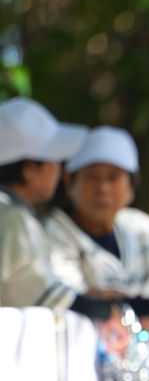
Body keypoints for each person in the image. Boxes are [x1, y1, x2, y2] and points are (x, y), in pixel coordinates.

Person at [44, 126, 149, 339]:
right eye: (92, 177)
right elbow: (72, 299)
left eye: (113, 177)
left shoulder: (139, 227)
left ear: (131, 184)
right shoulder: (53, 232)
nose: (103, 188)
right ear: (69, 181)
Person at [0, 97, 89, 310]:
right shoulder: (13, 220)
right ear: (29, 169)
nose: (59, 169)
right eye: (54, 160)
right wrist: (102, 310)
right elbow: (43, 298)